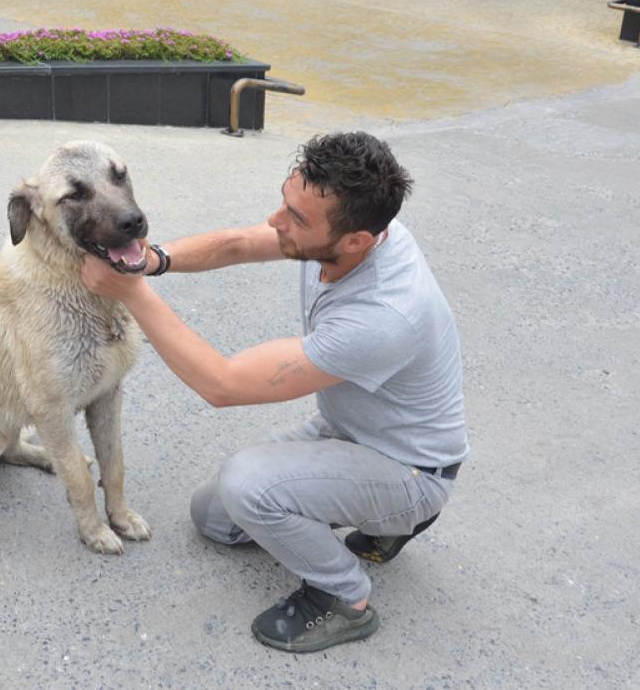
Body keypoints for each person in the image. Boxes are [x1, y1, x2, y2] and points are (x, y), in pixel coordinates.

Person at [79, 131, 468, 654]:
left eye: (296, 218)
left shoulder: (384, 316)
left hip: (412, 468)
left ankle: (344, 596)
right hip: (350, 431)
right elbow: (240, 243)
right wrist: (153, 260)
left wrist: (132, 292)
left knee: (249, 486)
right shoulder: (354, 231)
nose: (276, 221)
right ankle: (379, 519)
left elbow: (223, 384)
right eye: (286, 201)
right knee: (214, 518)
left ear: (357, 241)